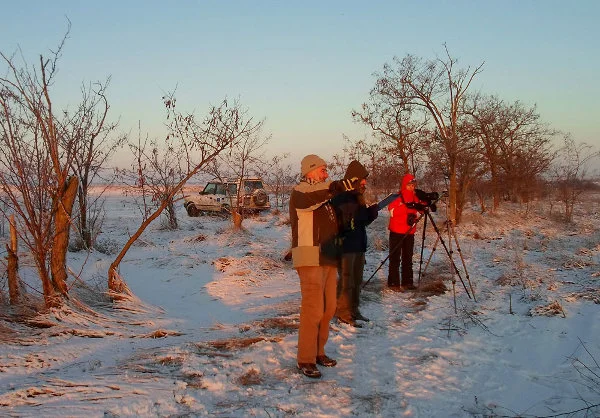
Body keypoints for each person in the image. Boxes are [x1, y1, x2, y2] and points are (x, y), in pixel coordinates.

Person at [289, 154, 340, 379]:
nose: (326, 174)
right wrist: (336, 187)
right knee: (313, 309)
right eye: (322, 170)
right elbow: (313, 198)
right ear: (310, 171)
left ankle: (319, 352)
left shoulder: (325, 196)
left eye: (326, 170)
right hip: (309, 256)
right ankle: (305, 358)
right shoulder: (301, 192)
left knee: (329, 308)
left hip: (328, 255)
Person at [330, 160, 378, 327]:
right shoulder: (341, 196)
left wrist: (370, 214)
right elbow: (349, 220)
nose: (365, 182)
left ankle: (354, 310)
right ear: (354, 179)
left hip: (358, 243)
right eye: (362, 179)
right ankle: (343, 312)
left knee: (357, 280)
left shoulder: (357, 196)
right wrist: (367, 214)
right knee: (346, 281)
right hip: (345, 246)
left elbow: (359, 221)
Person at [387, 173, 428, 292]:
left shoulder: (415, 197)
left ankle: (407, 282)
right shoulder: (397, 197)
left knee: (408, 257)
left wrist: (425, 203)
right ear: (404, 185)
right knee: (395, 258)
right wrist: (406, 207)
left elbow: (421, 209)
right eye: (409, 185)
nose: (411, 187)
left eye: (413, 185)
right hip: (396, 231)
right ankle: (393, 283)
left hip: (410, 231)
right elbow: (392, 212)